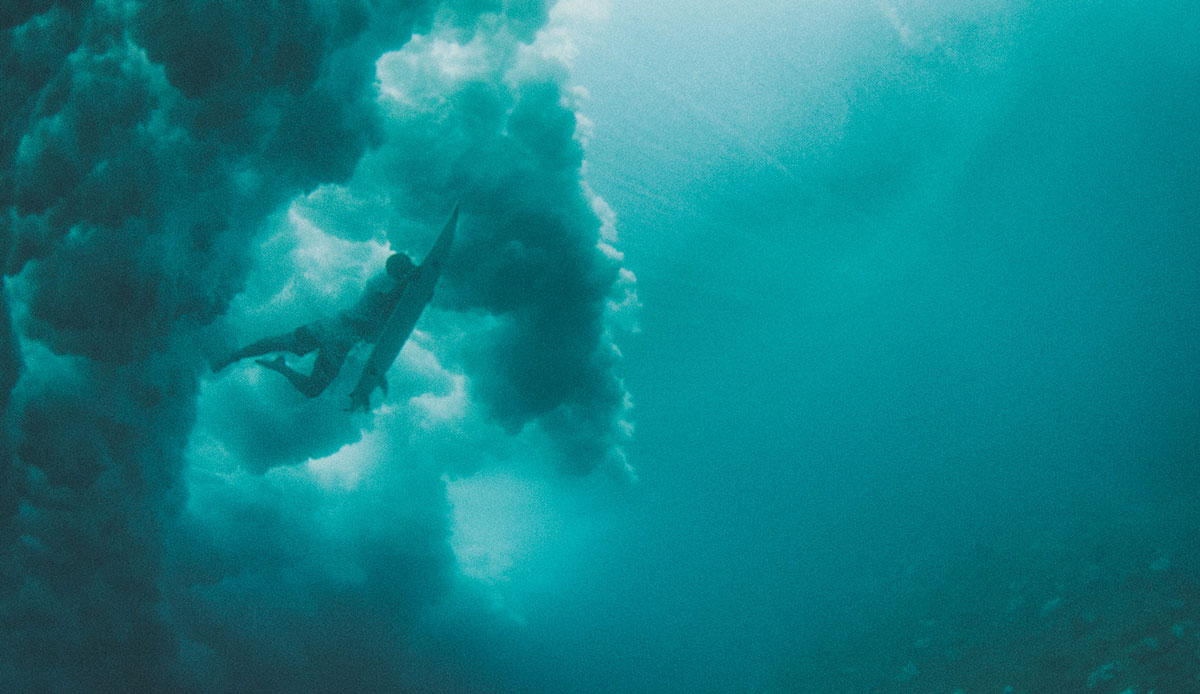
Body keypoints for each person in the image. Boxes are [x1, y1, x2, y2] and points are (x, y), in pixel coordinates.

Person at [213, 252, 417, 397]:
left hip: (340, 338)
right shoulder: (382, 281)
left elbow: (389, 324)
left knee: (311, 388)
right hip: (337, 331)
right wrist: (411, 281)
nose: (404, 273)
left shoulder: (398, 288)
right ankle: (235, 356)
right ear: (396, 270)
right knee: (279, 343)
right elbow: (387, 299)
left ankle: (280, 368)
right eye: (403, 270)